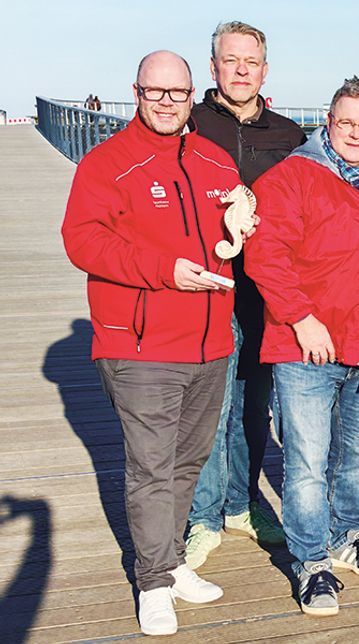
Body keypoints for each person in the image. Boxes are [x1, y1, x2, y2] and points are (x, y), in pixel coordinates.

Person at [61, 51, 241, 636]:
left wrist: (247, 221)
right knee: (151, 468)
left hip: (210, 342)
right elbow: (82, 241)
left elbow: (233, 227)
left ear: (193, 95)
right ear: (136, 92)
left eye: (177, 92)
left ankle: (172, 559)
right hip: (140, 346)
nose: (166, 102)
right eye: (154, 91)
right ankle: (154, 582)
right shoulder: (106, 163)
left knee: (188, 461)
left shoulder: (216, 161)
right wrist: (165, 270)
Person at [246, 77, 359, 616]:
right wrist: (301, 318)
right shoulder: (292, 176)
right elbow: (265, 255)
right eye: (347, 123)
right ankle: (311, 560)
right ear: (329, 121)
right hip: (307, 350)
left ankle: (345, 535)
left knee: (357, 455)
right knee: (307, 462)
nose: (357, 133)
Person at [184, 20, 306, 570]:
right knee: (210, 406)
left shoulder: (290, 137)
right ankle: (204, 516)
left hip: (265, 292)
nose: (240, 70)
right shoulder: (188, 124)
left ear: (264, 70)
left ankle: (242, 503)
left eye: (250, 61)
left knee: (254, 405)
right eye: (230, 60)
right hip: (204, 287)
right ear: (213, 67)